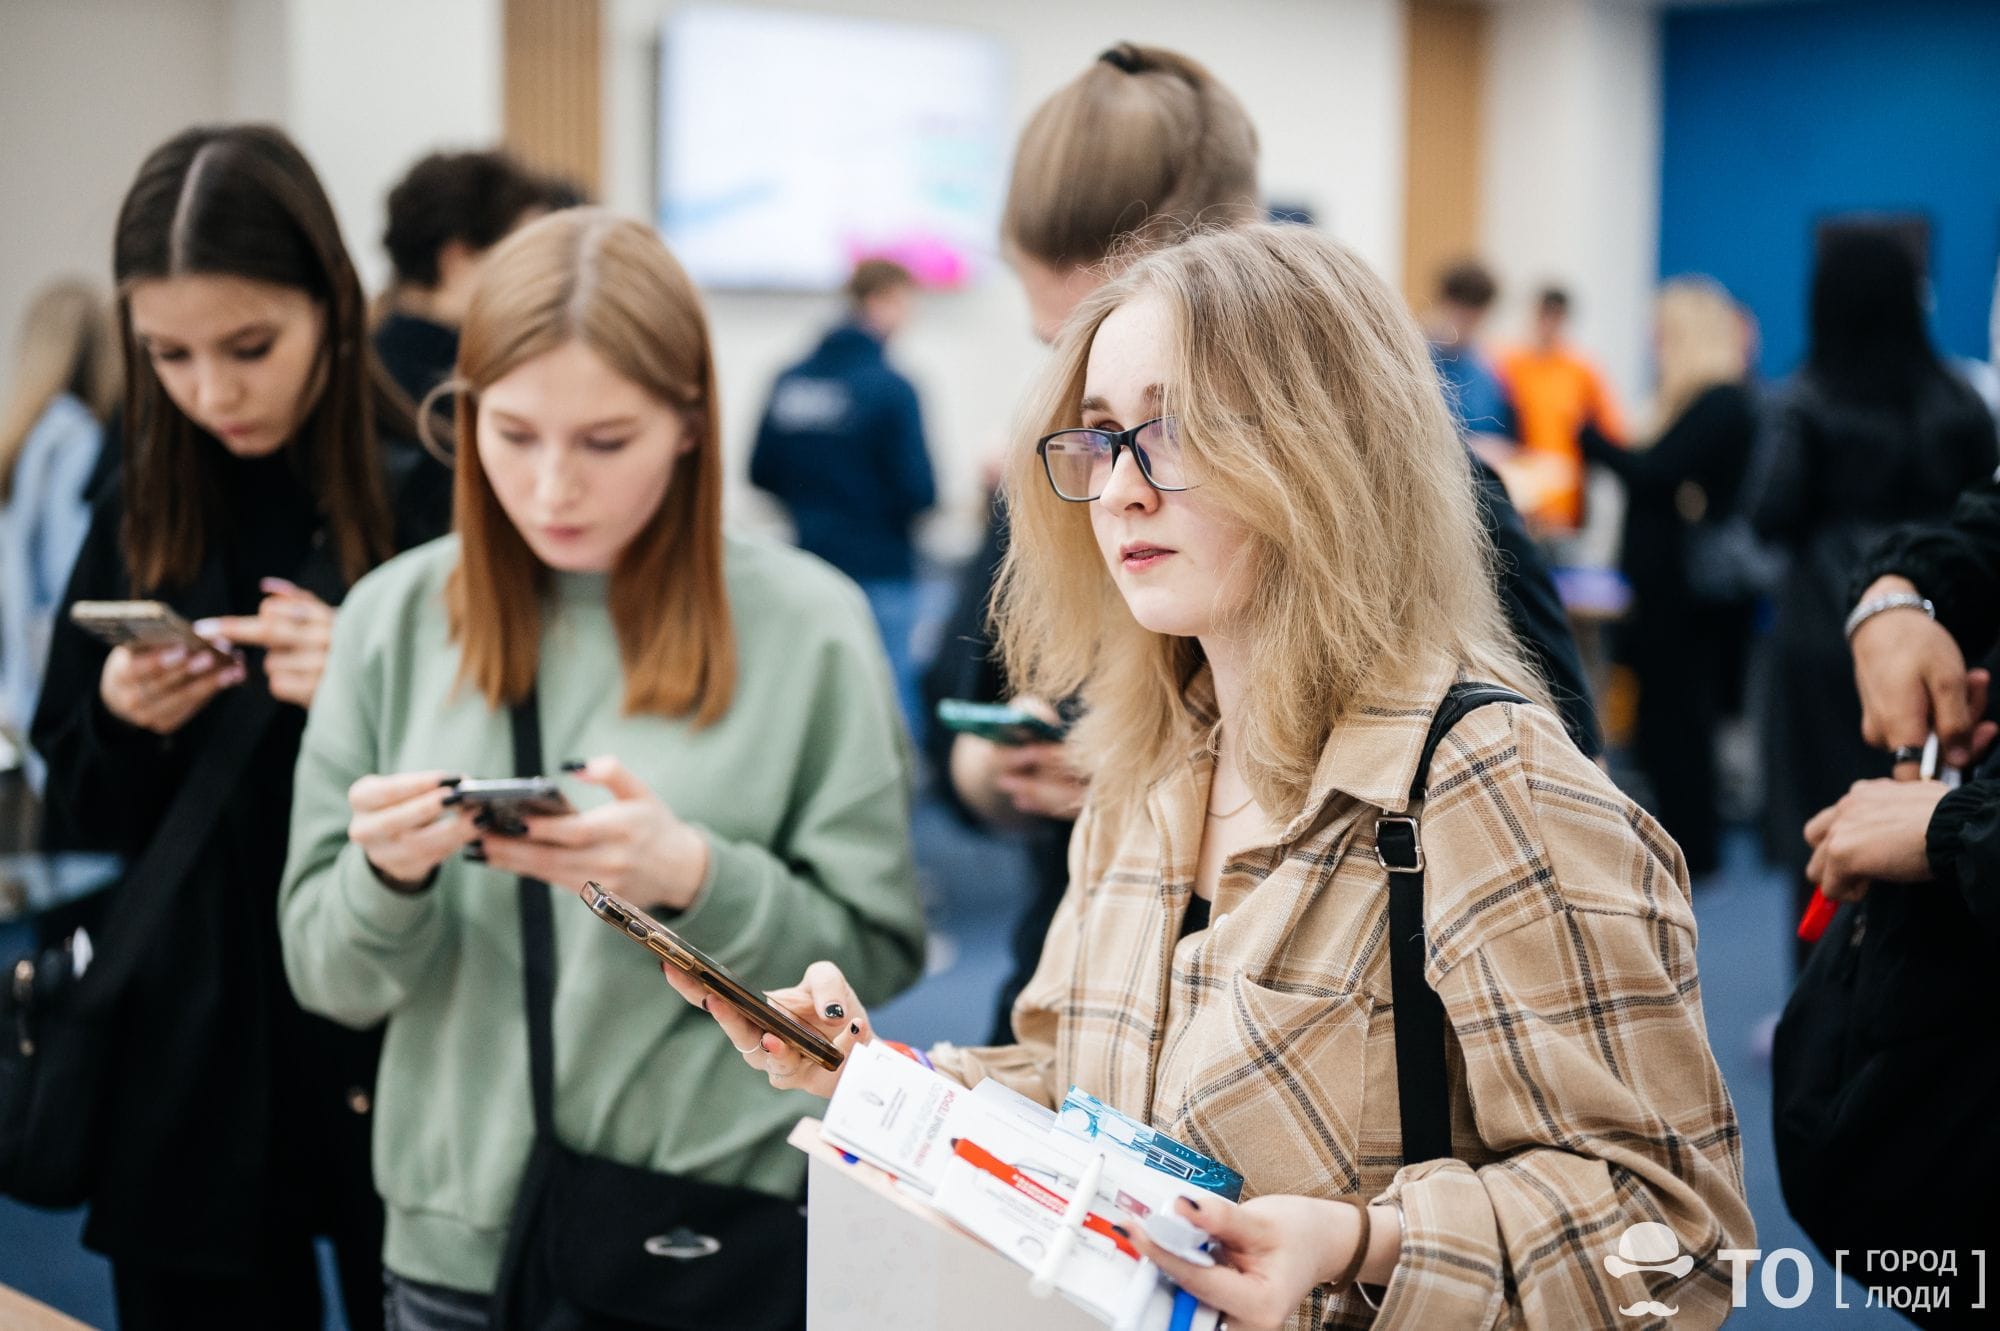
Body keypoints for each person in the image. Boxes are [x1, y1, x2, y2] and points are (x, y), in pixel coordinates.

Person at [676, 225, 1753, 1331]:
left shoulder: (1485, 780)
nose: (1119, 492)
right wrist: (882, 1078)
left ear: (1325, 450)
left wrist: (1363, 1239)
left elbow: (1680, 1245)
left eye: (1175, 430)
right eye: (1101, 438)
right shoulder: (1141, 766)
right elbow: (1078, 1093)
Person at [279, 209, 926, 1327]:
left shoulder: (809, 624)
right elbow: (327, 976)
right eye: (513, 433)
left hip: (708, 1232)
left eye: (603, 441)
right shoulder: (391, 620)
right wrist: (385, 880)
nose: (551, 489)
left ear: (687, 423)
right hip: (455, 1236)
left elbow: (875, 953)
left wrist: (691, 874)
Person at [924, 44, 1602, 1043]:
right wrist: (1009, 771)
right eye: (1069, 370)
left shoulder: (1440, 505)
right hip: (1088, 989)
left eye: (1170, 409)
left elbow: (1545, 793)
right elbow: (955, 706)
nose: (1115, 480)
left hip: (1339, 1030)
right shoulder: (1064, 469)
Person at [30, 124, 445, 1330]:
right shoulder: (139, 490)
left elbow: (507, 784)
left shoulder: (427, 479)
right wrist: (118, 717)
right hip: (189, 1047)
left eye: (249, 346)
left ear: (330, 300)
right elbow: (74, 809)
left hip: (387, 1027)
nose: (211, 391)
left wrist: (370, 693)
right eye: (168, 353)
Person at [1747, 228, 1998, 959]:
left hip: (1825, 639)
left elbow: (1767, 511)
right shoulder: (1961, 398)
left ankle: (1822, 990)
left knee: (1824, 820)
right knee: (1934, 815)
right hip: (1945, 639)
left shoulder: (1804, 399)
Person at [1582, 277, 1758, 874]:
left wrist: (1592, 442)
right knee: (1666, 726)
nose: (1655, 346)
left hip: (1687, 603)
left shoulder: (1721, 403)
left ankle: (1692, 854)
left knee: (1678, 728)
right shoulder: (1702, 404)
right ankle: (1686, 849)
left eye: (1664, 335)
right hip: (1668, 597)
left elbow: (1655, 472)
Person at [750, 258, 936, 733]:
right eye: (906, 303)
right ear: (881, 301)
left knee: (809, 699)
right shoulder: (892, 388)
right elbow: (920, 491)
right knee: (889, 699)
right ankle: (899, 804)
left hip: (806, 564)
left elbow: (759, 471)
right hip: (881, 570)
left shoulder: (790, 380)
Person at [0, 279, 120, 779]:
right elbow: (71, 572)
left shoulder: (22, 441)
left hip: (18, 677)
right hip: (52, 676)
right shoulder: (75, 442)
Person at [374, 149, 551, 406]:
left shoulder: (367, 358)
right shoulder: (458, 389)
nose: (544, 282)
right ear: (457, 261)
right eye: (526, 258)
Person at [1498, 285, 1627, 535]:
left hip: (1566, 502)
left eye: (1555, 317)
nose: (1548, 324)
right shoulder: (1508, 364)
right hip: (1519, 499)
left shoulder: (1582, 371)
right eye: (1544, 315)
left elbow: (1612, 431)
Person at [1424, 259, 1518, 444]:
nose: (1468, 328)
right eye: (1464, 318)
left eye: (1476, 321)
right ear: (1444, 305)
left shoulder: (1487, 368)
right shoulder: (1418, 359)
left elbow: (1500, 428)